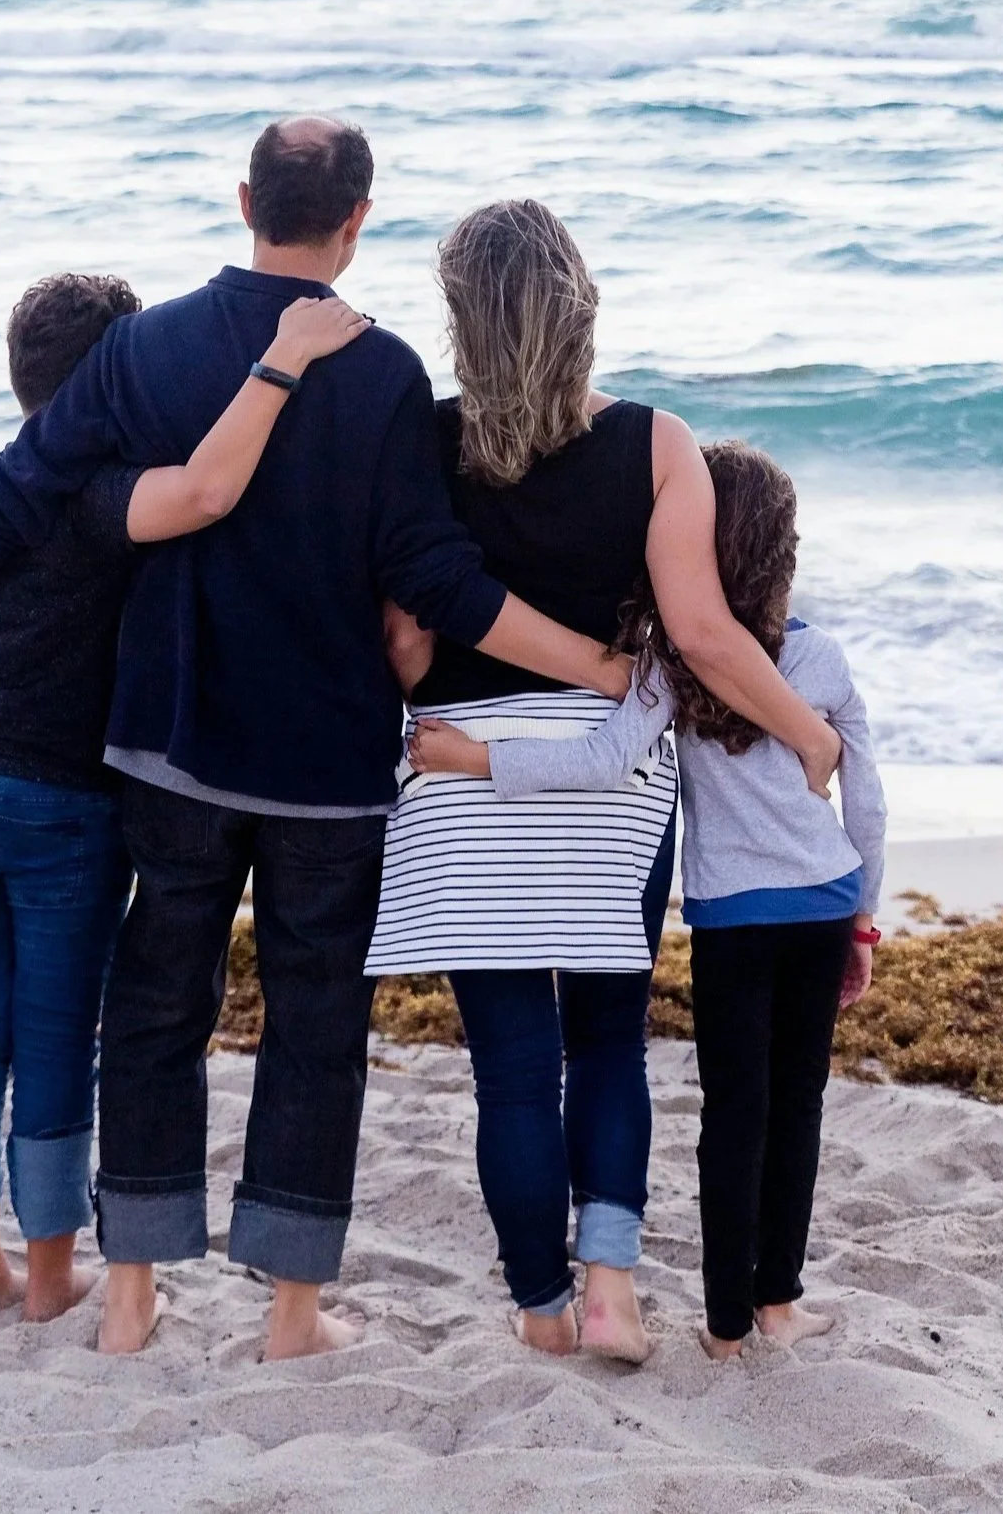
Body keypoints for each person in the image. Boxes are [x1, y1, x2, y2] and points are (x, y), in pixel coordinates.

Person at [0, 119, 635, 1362]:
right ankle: (292, 1314)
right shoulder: (385, 372)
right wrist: (599, 667)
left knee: (154, 1009)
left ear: (244, 196)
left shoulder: (145, 348)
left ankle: (132, 1290)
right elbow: (435, 577)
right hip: (325, 766)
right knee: (313, 1027)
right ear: (358, 218)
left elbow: (13, 493)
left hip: (172, 746)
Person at [366, 201, 845, 1363]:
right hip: (607, 779)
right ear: (580, 306)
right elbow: (702, 632)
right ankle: (613, 1285)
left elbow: (404, 650)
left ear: (460, 319)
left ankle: (539, 1307)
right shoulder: (655, 442)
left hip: (461, 777)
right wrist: (807, 737)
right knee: (609, 1043)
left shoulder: (421, 443)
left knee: (514, 1070)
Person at [0, 271, 371, 1322]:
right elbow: (202, 490)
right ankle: (50, 1276)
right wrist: (281, 365)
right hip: (57, 805)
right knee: (54, 1034)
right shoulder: (99, 498)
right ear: (116, 376)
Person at [411, 442, 887, 1359]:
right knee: (800, 1106)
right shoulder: (819, 658)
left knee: (733, 1113)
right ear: (784, 551)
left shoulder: (672, 663)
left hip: (730, 919)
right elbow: (864, 800)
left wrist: (473, 756)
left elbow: (599, 760)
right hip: (824, 904)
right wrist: (863, 915)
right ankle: (778, 1300)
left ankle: (721, 1328)